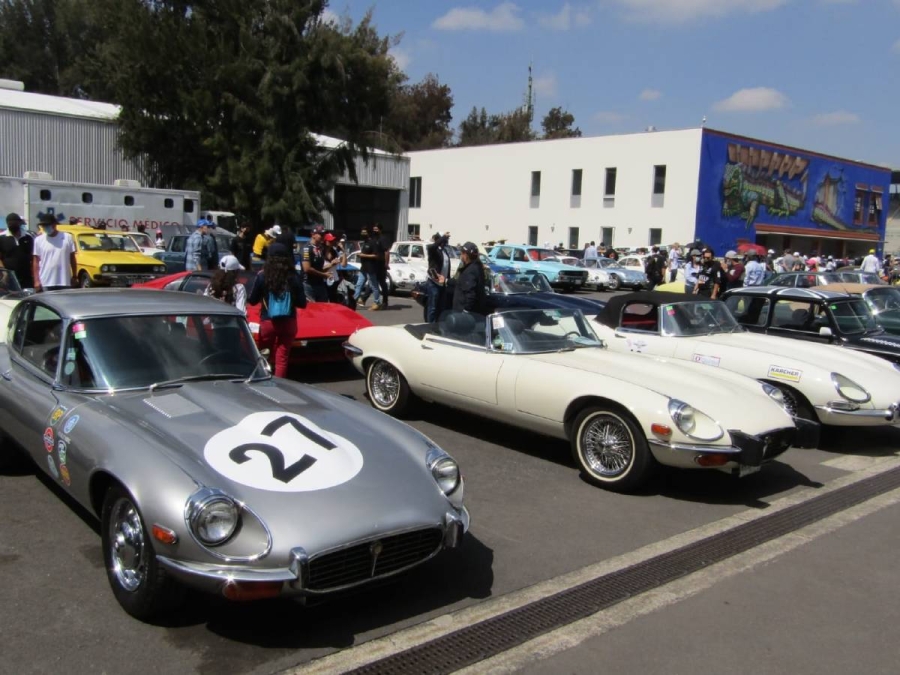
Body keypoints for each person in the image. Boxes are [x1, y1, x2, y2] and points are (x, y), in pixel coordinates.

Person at [247, 250, 306, 378]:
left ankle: (263, 379)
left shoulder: (263, 276)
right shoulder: (294, 277)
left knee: (265, 354)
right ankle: (280, 384)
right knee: (282, 357)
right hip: (289, 321)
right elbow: (302, 303)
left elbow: (252, 301)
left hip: (268, 321)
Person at [32, 213, 77, 292]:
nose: (46, 228)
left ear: (54, 225)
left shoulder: (67, 237)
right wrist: (36, 280)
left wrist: (74, 275)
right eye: (43, 226)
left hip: (64, 281)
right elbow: (36, 261)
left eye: (47, 225)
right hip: (46, 282)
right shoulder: (38, 240)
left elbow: (72, 258)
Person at [0, 212, 35, 288]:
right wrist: (4, 272)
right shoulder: (2, 238)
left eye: (15, 223)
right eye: (11, 223)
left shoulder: (28, 237)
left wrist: (34, 276)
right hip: (9, 278)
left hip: (26, 277)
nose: (13, 225)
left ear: (19, 223)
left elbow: (33, 257)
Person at [452, 241, 487, 314]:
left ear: (465, 255)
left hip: (464, 313)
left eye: (462, 253)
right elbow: (463, 284)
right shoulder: (478, 267)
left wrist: (465, 311)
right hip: (476, 311)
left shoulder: (469, 271)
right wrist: (446, 281)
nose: (461, 255)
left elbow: (470, 294)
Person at [426, 232, 452, 322]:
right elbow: (433, 246)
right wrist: (443, 237)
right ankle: (430, 326)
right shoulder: (433, 249)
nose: (445, 242)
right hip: (434, 283)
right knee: (432, 307)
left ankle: (438, 325)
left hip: (442, 283)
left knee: (441, 307)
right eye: (444, 240)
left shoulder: (444, 251)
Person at [354, 228, 382, 310]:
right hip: (364, 267)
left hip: (371, 268)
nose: (362, 234)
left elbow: (376, 255)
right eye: (362, 232)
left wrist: (363, 255)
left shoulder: (373, 242)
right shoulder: (364, 242)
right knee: (359, 284)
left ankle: (377, 302)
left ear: (368, 233)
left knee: (374, 285)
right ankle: (353, 300)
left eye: (364, 232)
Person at [301, 225, 330, 302]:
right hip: (309, 285)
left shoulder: (320, 248)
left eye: (324, 235)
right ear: (313, 234)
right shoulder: (307, 248)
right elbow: (307, 268)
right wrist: (324, 275)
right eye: (321, 234)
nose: (323, 236)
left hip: (320, 284)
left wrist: (330, 267)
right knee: (311, 310)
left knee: (323, 309)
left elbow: (319, 268)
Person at [322, 232, 346, 303]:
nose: (332, 242)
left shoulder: (334, 251)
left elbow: (344, 264)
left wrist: (343, 250)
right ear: (325, 241)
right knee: (324, 301)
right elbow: (320, 269)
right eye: (330, 241)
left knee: (334, 301)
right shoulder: (320, 252)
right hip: (324, 280)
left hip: (334, 280)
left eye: (333, 241)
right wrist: (331, 264)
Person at [372, 223, 390, 308]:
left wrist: (386, 263)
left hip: (381, 264)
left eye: (376, 229)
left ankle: (385, 301)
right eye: (374, 229)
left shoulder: (383, 239)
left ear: (380, 230)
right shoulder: (375, 239)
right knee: (372, 282)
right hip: (374, 264)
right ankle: (364, 299)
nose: (374, 231)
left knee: (382, 283)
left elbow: (387, 252)